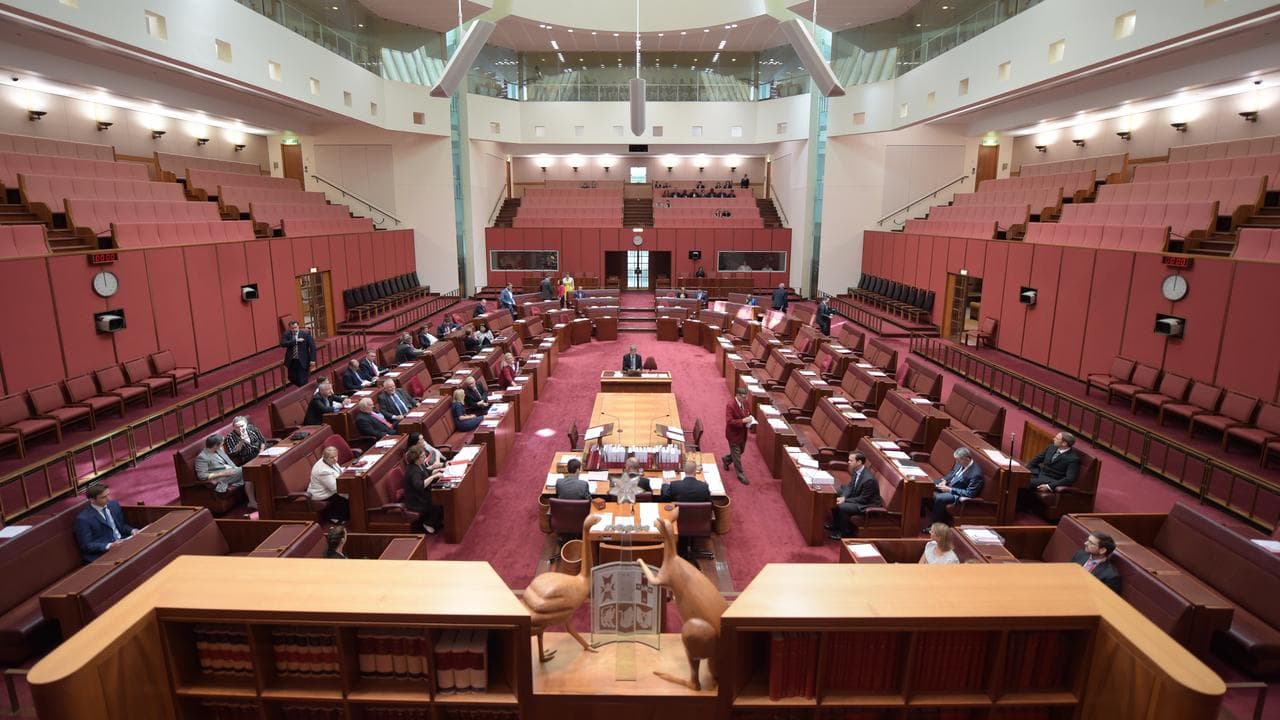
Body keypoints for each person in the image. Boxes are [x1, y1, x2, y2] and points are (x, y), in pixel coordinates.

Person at [1017, 432, 1082, 511]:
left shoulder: (1073, 459)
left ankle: (1017, 507)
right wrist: (1027, 470)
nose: (1053, 439)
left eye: (1057, 438)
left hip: (1051, 479)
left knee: (1024, 482)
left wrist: (1049, 486)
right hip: (1039, 473)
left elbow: (1070, 479)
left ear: (1064, 443)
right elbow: (1037, 459)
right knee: (1017, 476)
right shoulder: (1051, 447)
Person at [73, 484, 138, 563]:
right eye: (103, 497)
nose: (108, 499)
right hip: (104, 553)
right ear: (92, 500)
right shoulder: (83, 519)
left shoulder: (113, 505)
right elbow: (86, 545)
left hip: (123, 542)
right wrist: (109, 546)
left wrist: (132, 530)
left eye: (108, 495)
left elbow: (121, 526)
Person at [922, 447, 984, 528]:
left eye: (958, 460)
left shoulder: (976, 474)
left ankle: (934, 525)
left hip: (957, 494)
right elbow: (952, 473)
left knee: (940, 498)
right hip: (949, 485)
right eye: (956, 460)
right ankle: (922, 511)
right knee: (927, 484)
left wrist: (950, 489)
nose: (956, 462)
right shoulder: (959, 462)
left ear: (967, 459)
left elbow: (969, 493)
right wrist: (944, 480)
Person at [826, 452, 882, 539]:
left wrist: (845, 500)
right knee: (835, 494)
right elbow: (850, 486)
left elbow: (863, 499)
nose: (848, 462)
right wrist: (843, 497)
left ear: (859, 462)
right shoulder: (856, 470)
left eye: (850, 460)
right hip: (857, 495)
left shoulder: (869, 480)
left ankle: (845, 532)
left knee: (842, 507)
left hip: (867, 504)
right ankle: (836, 524)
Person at [194, 434, 257, 510]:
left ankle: (252, 501)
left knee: (249, 474)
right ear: (215, 445)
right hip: (222, 478)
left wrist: (235, 469)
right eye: (221, 443)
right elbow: (202, 476)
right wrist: (223, 473)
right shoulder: (202, 457)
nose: (222, 444)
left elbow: (229, 462)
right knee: (249, 470)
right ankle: (253, 502)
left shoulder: (218, 450)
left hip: (233, 472)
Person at [402, 446, 444, 533]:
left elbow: (427, 473)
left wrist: (440, 470)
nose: (425, 457)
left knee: (441, 496)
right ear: (416, 459)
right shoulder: (413, 470)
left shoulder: (419, 465)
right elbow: (420, 485)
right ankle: (428, 523)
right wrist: (434, 477)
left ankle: (436, 522)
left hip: (422, 494)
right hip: (416, 500)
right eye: (422, 456)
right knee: (438, 500)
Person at [722, 386, 756, 485]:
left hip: (743, 433)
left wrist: (751, 420)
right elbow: (729, 421)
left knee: (741, 451)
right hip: (733, 435)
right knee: (737, 455)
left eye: (746, 397)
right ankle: (740, 474)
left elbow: (748, 413)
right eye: (743, 397)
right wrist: (743, 421)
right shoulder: (730, 405)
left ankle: (726, 459)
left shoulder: (745, 403)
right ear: (737, 396)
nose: (745, 399)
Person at [308, 445, 349, 524]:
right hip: (323, 494)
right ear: (325, 457)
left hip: (332, 489)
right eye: (332, 458)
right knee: (349, 501)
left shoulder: (328, 460)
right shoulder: (323, 471)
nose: (335, 459)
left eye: (336, 456)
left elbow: (337, 471)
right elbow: (336, 488)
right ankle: (333, 517)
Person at [280, 320, 317, 387]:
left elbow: (312, 347)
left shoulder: (305, 334)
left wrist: (313, 359)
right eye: (292, 328)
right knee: (292, 378)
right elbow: (283, 344)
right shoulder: (287, 334)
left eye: (295, 327)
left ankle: (304, 392)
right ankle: (301, 388)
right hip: (292, 360)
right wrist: (295, 341)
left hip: (303, 360)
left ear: (298, 326)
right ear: (289, 328)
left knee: (303, 380)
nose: (294, 329)